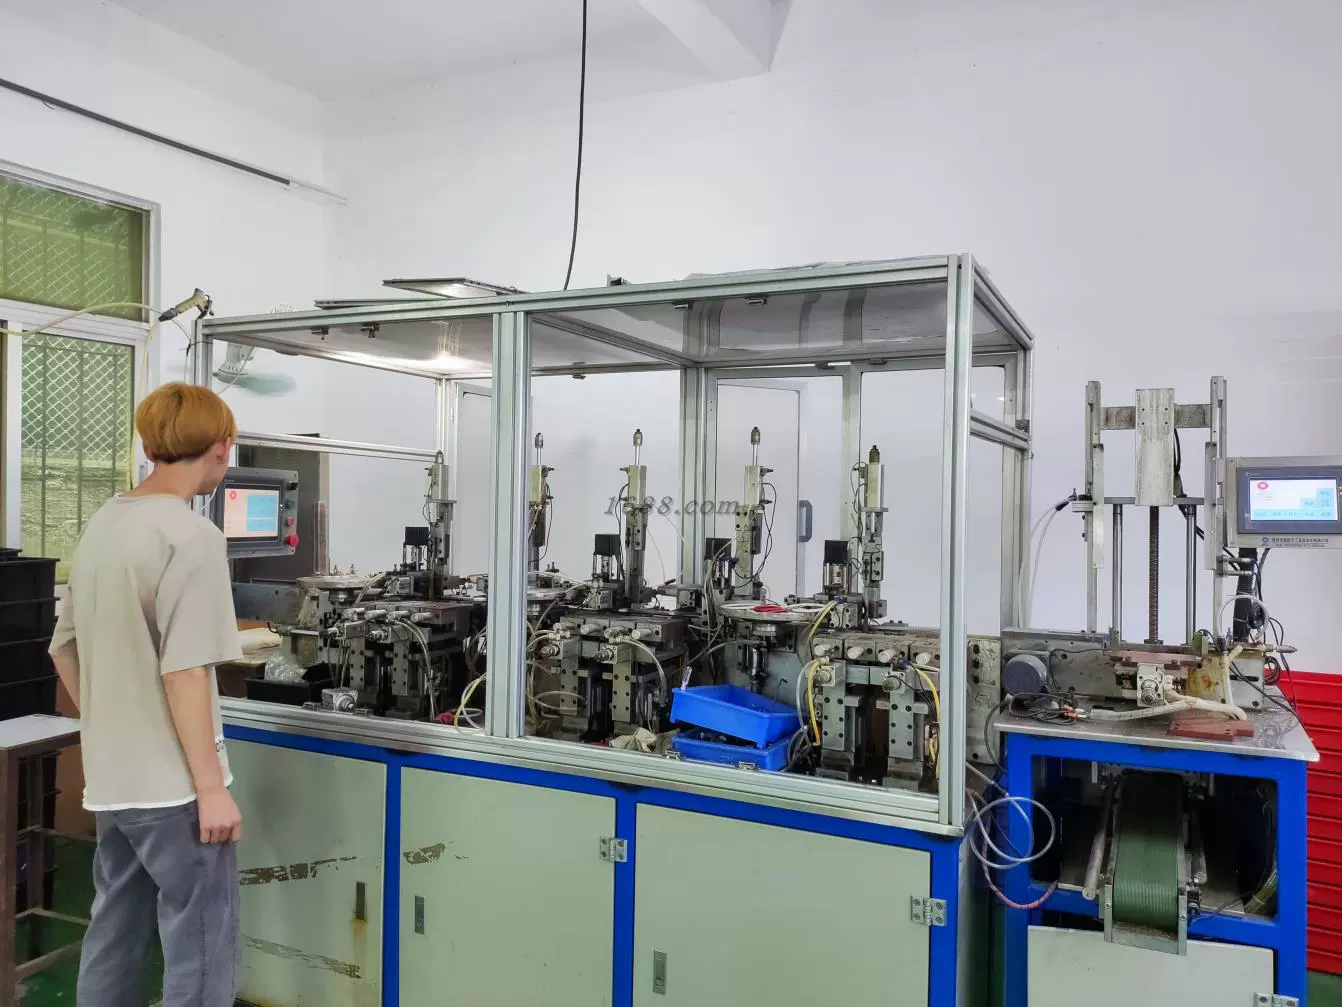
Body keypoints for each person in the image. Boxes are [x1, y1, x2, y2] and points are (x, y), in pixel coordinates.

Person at [49, 381, 245, 1007]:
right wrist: (211, 790)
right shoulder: (192, 537)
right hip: (173, 789)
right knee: (201, 944)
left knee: (116, 927)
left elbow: (62, 647)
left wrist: (114, 727)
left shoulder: (105, 522)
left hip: (114, 782)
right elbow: (185, 671)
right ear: (222, 446)